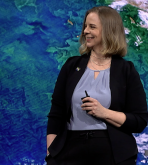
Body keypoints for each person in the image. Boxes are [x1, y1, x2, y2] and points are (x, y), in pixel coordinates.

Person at [46, 6, 148, 165]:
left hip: (113, 155)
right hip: (69, 153)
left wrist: (104, 112)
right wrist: (50, 152)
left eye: (92, 27)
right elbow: (56, 113)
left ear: (108, 31)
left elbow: (139, 121)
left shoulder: (126, 70)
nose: (85, 31)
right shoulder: (72, 66)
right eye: (85, 26)